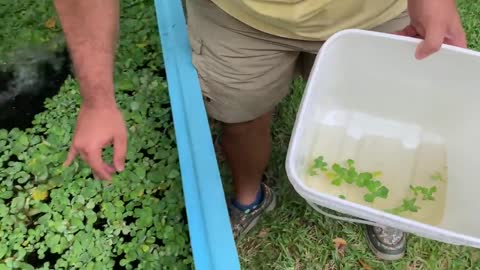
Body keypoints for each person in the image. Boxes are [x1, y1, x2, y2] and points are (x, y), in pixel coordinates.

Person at [54, 0, 466, 261]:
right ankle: (250, 197)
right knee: (240, 116)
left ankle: (377, 206)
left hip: (377, 11)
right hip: (237, 16)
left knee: (377, 115)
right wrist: (97, 98)